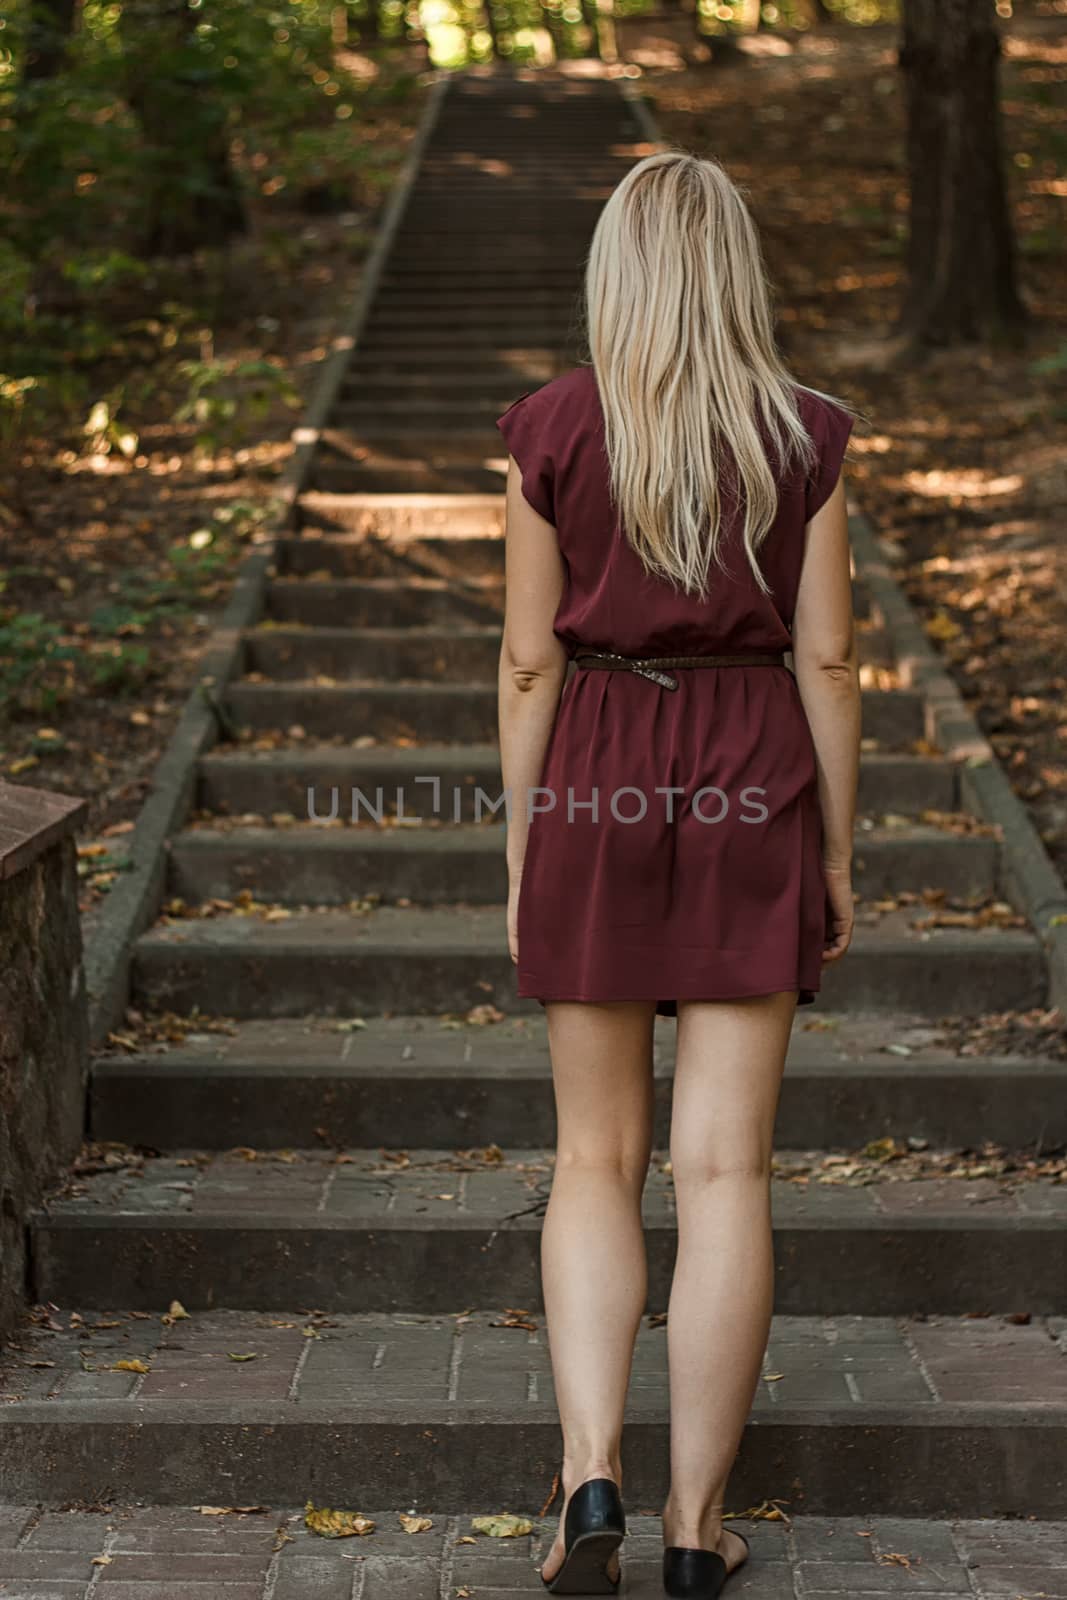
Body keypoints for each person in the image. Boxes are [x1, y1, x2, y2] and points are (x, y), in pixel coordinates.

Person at [495, 151, 860, 1599]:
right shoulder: (808, 432)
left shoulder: (548, 429)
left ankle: (591, 1476)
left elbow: (529, 658)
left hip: (595, 758)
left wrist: (528, 841)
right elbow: (827, 656)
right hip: (753, 767)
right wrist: (832, 843)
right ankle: (696, 1534)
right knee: (725, 1171)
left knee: (593, 1159)